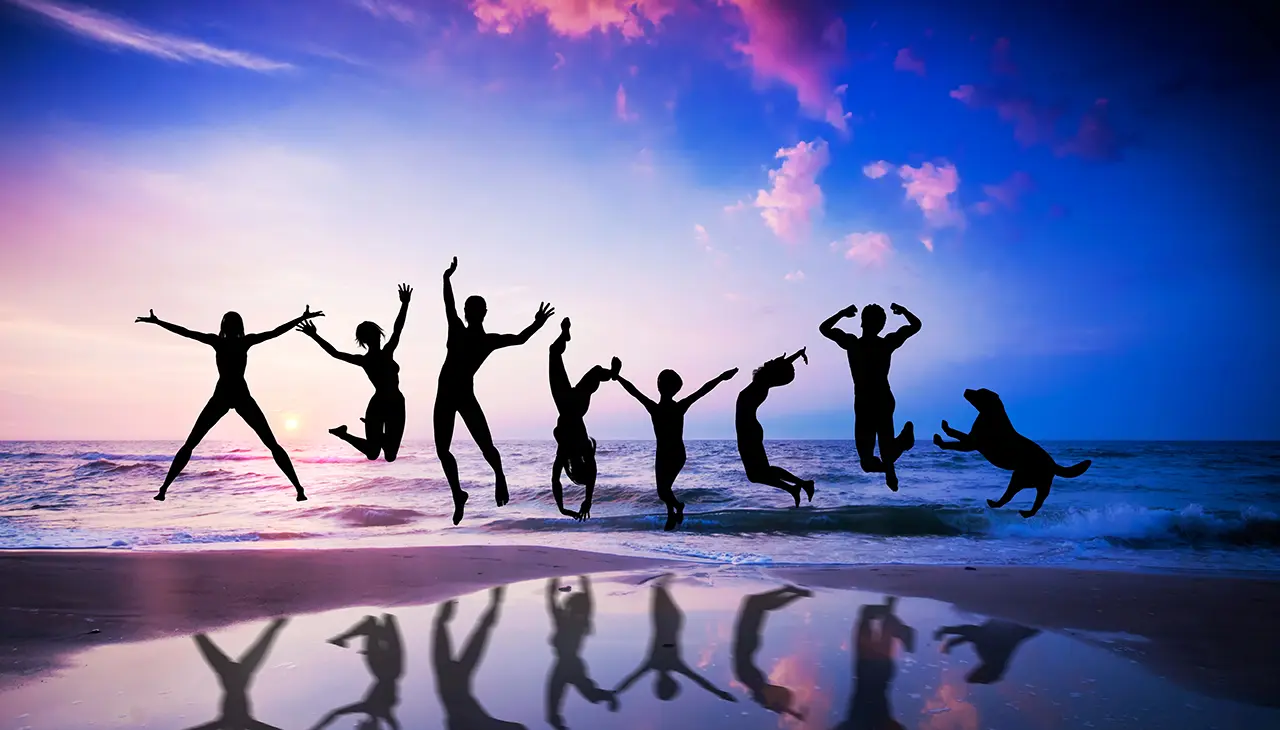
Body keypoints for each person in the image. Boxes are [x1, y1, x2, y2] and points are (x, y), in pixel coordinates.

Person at [135, 306, 324, 502]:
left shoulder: (223, 341)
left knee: (193, 444)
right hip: (231, 396)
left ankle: (164, 489)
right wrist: (158, 322)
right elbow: (274, 332)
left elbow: (187, 333)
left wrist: (158, 322)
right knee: (269, 444)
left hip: (231, 395)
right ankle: (299, 489)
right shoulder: (239, 342)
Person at [435, 257, 554, 525]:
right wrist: (537, 323)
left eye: (470, 309)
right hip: (457, 395)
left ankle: (489, 481)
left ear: (475, 313)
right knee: (457, 448)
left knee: (455, 449)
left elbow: (448, 303)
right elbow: (521, 338)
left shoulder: (467, 333)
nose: (468, 312)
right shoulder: (483, 339)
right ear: (481, 313)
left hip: (454, 394)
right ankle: (465, 492)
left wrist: (447, 278)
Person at [615, 363, 738, 531]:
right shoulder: (658, 407)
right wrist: (618, 376)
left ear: (671, 388)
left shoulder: (675, 407)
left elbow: (702, 391)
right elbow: (633, 391)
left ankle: (677, 508)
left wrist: (721, 378)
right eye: (660, 382)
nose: (661, 385)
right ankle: (673, 512)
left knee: (663, 490)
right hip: (663, 454)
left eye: (664, 383)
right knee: (664, 489)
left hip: (676, 454)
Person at [297, 284, 411, 462]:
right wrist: (314, 336)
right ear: (366, 340)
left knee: (390, 456)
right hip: (381, 404)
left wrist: (405, 304)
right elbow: (335, 353)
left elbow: (398, 329)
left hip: (395, 404)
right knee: (373, 453)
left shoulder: (385, 352)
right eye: (371, 336)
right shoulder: (369, 359)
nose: (375, 338)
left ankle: (375, 430)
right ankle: (348, 434)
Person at [819, 303, 921, 491]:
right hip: (873, 400)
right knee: (870, 461)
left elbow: (824, 328)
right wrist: (904, 311)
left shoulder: (854, 343)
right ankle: (895, 456)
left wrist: (842, 313)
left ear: (862, 322)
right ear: (882, 325)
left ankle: (891, 465)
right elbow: (916, 325)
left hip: (873, 400)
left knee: (878, 455)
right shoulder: (883, 343)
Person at [613, 574, 738, 704]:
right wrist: (616, 693)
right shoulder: (655, 664)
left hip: (671, 621)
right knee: (659, 589)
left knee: (659, 588)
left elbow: (699, 681)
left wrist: (719, 693)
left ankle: (662, 572)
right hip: (662, 621)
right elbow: (631, 679)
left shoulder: (672, 665)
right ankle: (661, 574)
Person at [548, 318, 620, 520]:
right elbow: (584, 476)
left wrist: (567, 507)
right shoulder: (574, 451)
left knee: (556, 352)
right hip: (570, 405)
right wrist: (579, 502)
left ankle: (565, 336)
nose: (578, 464)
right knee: (593, 370)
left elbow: (558, 480)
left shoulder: (568, 451)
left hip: (568, 403)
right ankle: (612, 374)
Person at [432, 587, 527, 730]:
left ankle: (455, 594)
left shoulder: (467, 720)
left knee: (446, 625)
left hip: (454, 680)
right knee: (452, 626)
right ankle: (489, 600)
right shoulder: (473, 721)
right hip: (457, 682)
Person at [736, 349, 814, 506]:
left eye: (774, 362)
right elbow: (775, 367)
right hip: (749, 430)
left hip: (749, 431)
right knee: (760, 473)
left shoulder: (761, 383)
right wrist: (796, 355)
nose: (771, 359)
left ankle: (800, 486)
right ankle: (798, 487)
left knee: (756, 474)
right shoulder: (762, 383)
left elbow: (776, 367)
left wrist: (787, 360)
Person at [187, 617, 289, 730]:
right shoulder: (241, 722)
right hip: (238, 675)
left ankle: (188, 619)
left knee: (201, 639)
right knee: (201, 639)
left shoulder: (231, 722)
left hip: (234, 675)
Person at [545, 576, 619, 729]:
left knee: (557, 707)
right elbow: (551, 600)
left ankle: (608, 696)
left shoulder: (575, 622)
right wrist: (580, 581)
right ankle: (608, 696)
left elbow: (552, 599)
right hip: (569, 665)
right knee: (585, 697)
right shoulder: (566, 621)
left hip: (568, 665)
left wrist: (557, 580)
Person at [311, 614, 404, 730]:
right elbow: (336, 713)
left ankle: (343, 638)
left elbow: (335, 713)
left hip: (386, 669)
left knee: (377, 625)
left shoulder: (369, 708)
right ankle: (343, 638)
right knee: (381, 624)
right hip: (388, 669)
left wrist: (315, 728)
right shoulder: (380, 712)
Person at [731, 585, 812, 719]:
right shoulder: (752, 681)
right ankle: (793, 592)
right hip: (746, 640)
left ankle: (790, 591)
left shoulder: (753, 682)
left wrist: (792, 712)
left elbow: (769, 704)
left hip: (747, 642)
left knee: (755, 603)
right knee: (755, 604)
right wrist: (792, 712)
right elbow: (770, 704)